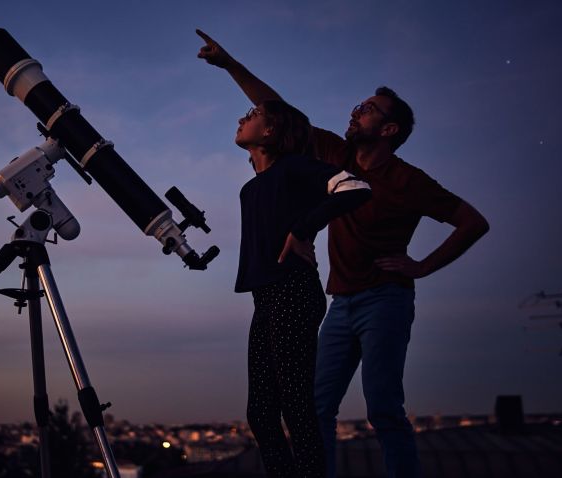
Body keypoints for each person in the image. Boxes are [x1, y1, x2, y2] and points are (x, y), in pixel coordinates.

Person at [197, 30, 489, 478]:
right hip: (339, 300)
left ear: (389, 130)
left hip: (385, 298)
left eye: (368, 109)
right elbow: (281, 114)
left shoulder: (410, 181)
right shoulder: (338, 154)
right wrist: (230, 64)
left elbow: (473, 222)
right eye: (358, 106)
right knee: (315, 407)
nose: (356, 111)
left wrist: (422, 266)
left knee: (384, 407)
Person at [232, 98, 370, 478]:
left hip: (294, 292)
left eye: (254, 115)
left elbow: (356, 187)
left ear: (272, 130)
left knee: (296, 404)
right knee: (260, 412)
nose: (243, 118)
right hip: (267, 298)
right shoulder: (251, 189)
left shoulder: (295, 167)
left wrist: (303, 228)